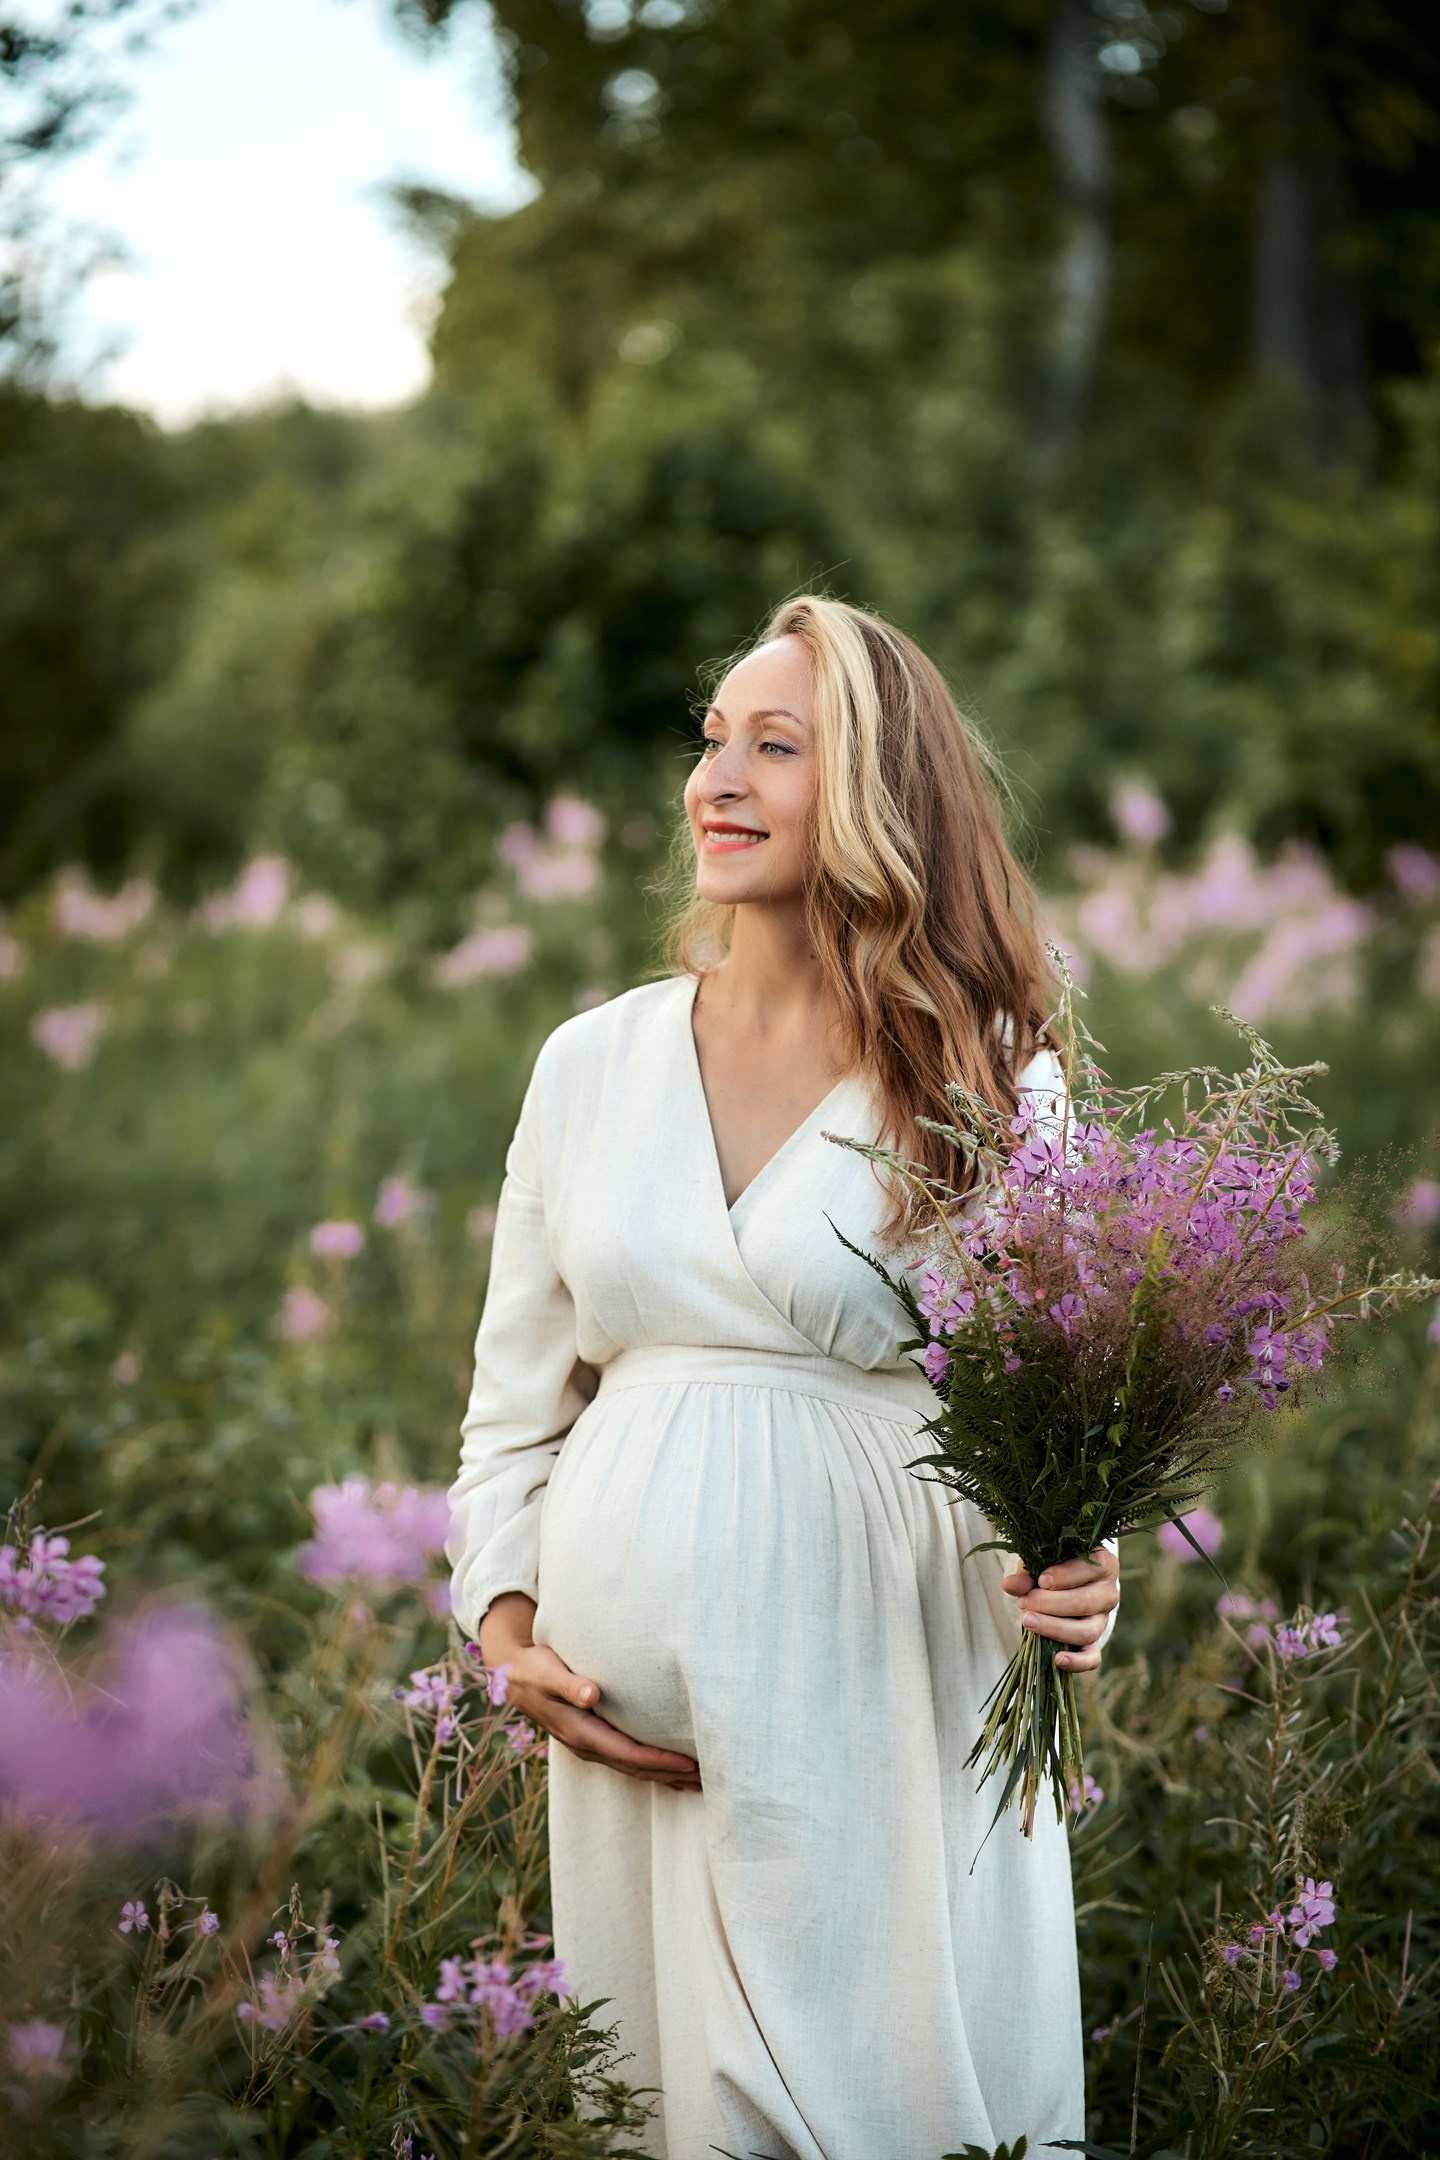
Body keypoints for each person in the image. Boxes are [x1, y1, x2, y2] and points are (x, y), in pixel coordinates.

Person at [446, 594, 1121, 2159]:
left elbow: (1063, 1416)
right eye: (710, 742)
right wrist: (503, 1626)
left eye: (776, 746)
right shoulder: (588, 1062)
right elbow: (510, 1408)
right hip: (628, 1744)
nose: (717, 780)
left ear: (883, 796)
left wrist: (1088, 1570)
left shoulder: (987, 1069)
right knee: (663, 2110)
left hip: (885, 1686)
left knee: (882, 2099)